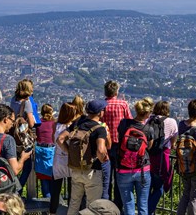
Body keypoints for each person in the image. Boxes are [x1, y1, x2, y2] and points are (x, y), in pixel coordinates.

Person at [57, 99, 109, 215]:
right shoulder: (100, 129)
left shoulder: (77, 123)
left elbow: (60, 139)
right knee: (92, 205)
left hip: (76, 169)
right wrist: (102, 160)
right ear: (100, 113)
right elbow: (101, 150)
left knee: (74, 203)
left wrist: (69, 152)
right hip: (92, 170)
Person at [116, 98, 154, 215]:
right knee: (143, 204)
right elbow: (149, 147)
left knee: (128, 204)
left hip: (123, 168)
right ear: (147, 114)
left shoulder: (124, 123)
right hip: (142, 169)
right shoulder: (149, 129)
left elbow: (119, 138)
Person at [101, 80, 132, 210]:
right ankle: (118, 207)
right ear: (117, 92)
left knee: (106, 178)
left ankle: (105, 207)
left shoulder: (102, 106)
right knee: (120, 177)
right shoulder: (123, 104)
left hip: (105, 145)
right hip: (121, 146)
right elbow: (130, 122)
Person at [148, 100, 179, 215]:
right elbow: (174, 139)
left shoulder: (149, 119)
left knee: (147, 187)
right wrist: (173, 145)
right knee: (159, 187)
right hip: (162, 159)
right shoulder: (171, 121)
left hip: (147, 158)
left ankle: (144, 210)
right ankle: (148, 211)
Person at [50, 102, 79, 215]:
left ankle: (52, 211)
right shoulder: (72, 128)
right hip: (70, 159)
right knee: (73, 190)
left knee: (55, 190)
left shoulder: (55, 125)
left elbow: (54, 140)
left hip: (58, 159)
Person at [10, 79, 37, 190]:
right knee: (27, 167)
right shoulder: (27, 102)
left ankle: (12, 188)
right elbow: (31, 123)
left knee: (14, 166)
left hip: (14, 137)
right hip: (24, 139)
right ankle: (18, 190)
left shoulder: (13, 100)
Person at [35, 103, 56, 198]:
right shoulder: (54, 124)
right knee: (53, 182)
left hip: (40, 153)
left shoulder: (38, 123)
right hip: (52, 153)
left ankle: (46, 205)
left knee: (44, 183)